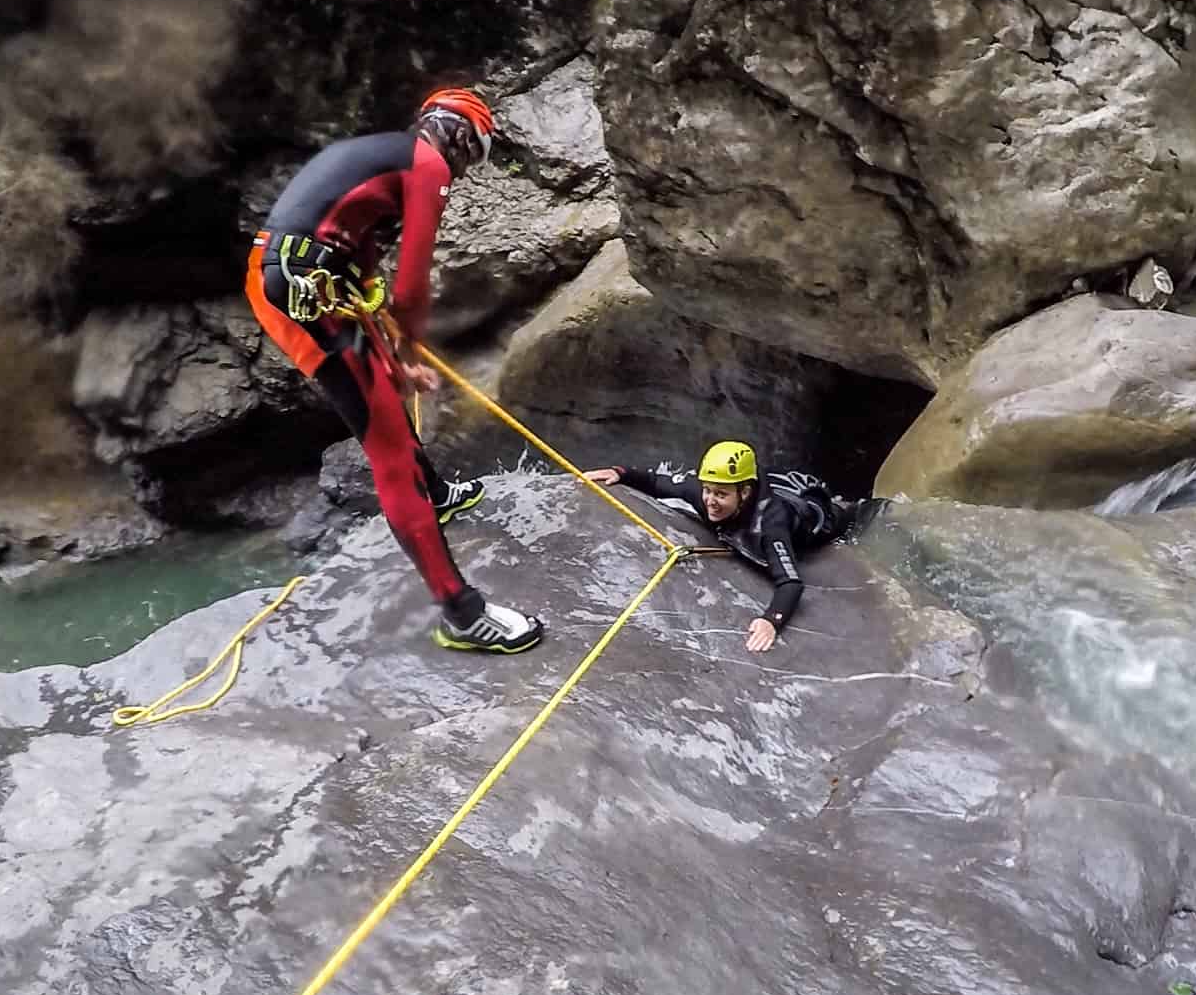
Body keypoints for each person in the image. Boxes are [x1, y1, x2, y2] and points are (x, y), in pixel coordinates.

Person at [243, 87, 543, 654]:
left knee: (382, 393)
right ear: (459, 136)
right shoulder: (427, 163)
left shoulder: (387, 160)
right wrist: (406, 351)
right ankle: (461, 611)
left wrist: (394, 359)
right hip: (302, 285)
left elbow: (365, 272)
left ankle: (436, 491)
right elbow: (412, 287)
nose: (465, 170)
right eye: (472, 155)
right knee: (388, 448)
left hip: (294, 276)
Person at [585, 441, 859, 653]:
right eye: (708, 490)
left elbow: (790, 582)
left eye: (720, 494)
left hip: (816, 513)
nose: (710, 501)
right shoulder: (705, 494)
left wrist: (771, 620)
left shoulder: (771, 526)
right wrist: (619, 473)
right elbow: (658, 482)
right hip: (771, 485)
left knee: (848, 513)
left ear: (745, 493)